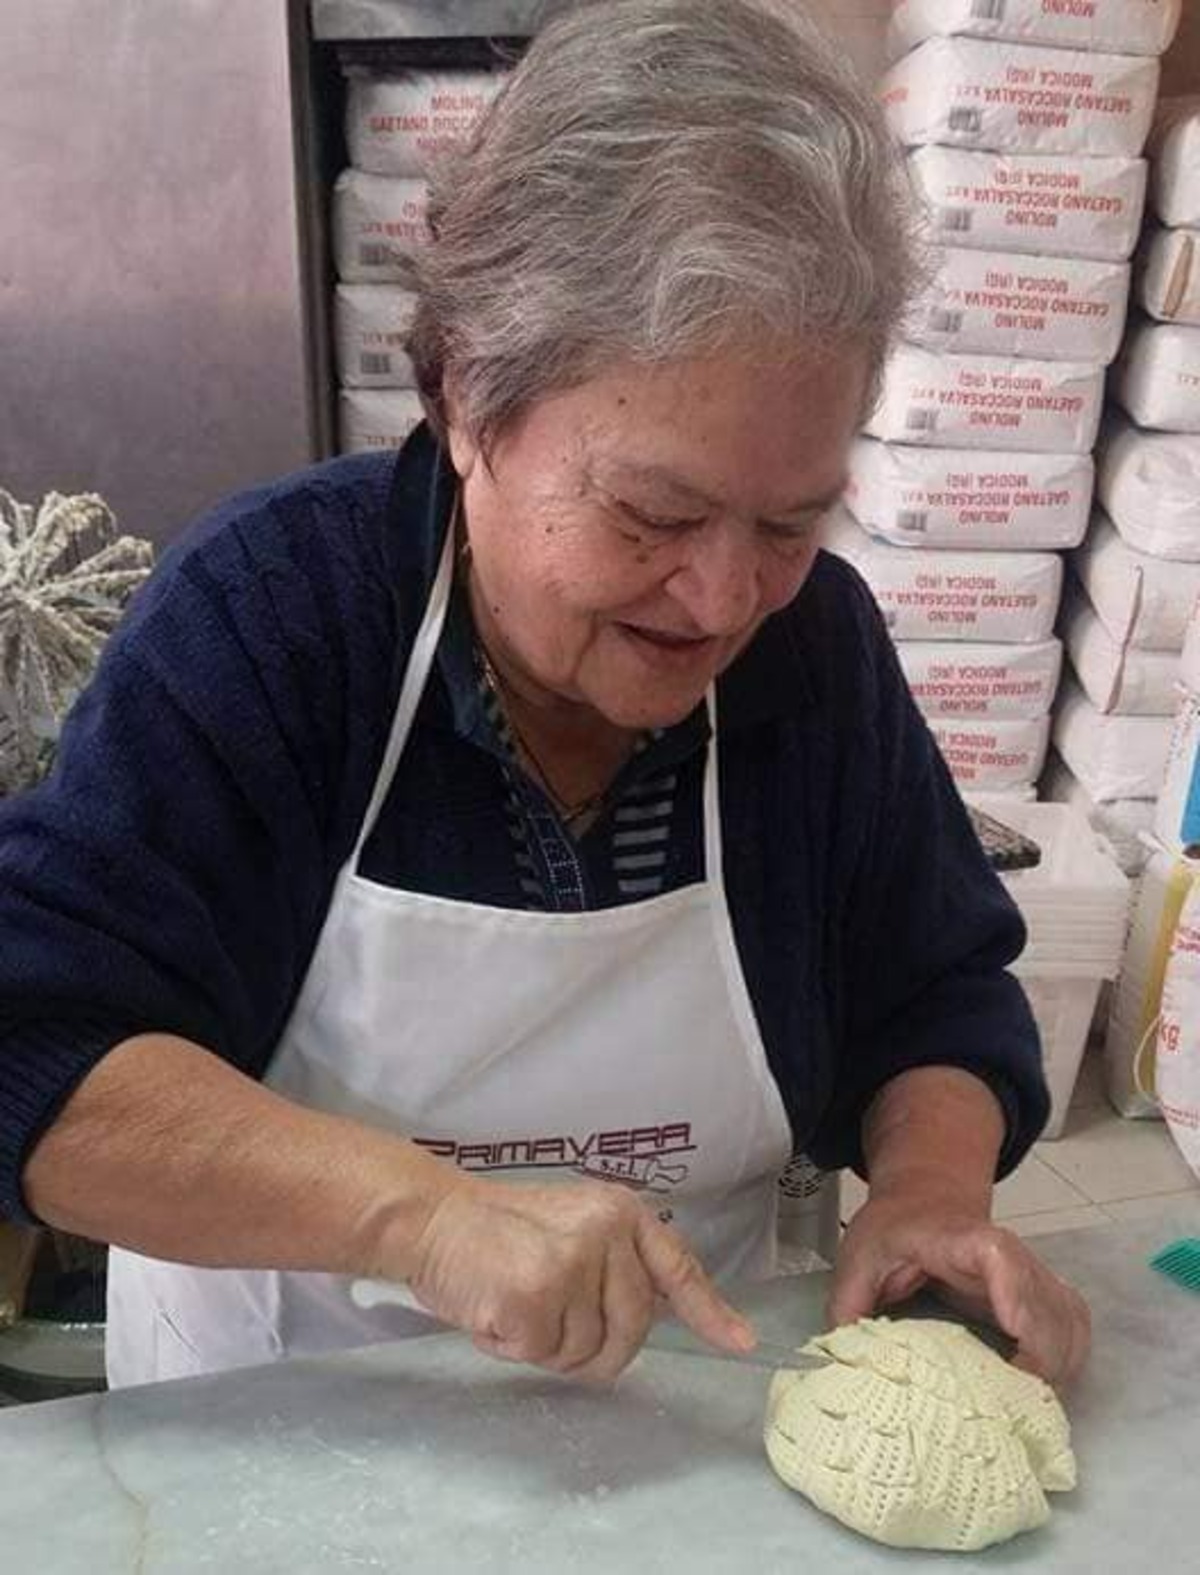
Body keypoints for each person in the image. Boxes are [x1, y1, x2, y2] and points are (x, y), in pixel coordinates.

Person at [0, 0, 1089, 1390]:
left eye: (788, 523)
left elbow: (932, 991)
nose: (721, 601)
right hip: (271, 1452)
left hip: (684, 1456)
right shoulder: (278, 622)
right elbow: (30, 1042)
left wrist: (931, 1193)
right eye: (651, 513)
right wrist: (424, 1217)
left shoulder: (814, 656)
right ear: (464, 401)